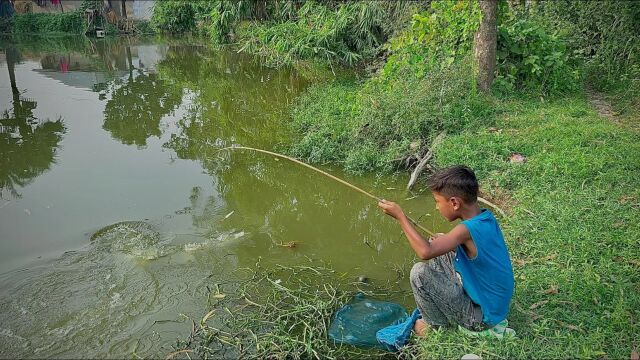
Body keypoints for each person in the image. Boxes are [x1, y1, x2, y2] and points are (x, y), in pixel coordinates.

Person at [378, 165, 514, 337]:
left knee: (419, 272)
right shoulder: (485, 218)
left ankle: (435, 326)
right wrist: (446, 240)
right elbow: (464, 243)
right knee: (441, 249)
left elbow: (425, 252)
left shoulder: (466, 230)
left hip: (482, 318)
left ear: (455, 203)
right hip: (496, 306)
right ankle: (441, 305)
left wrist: (400, 217)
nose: (436, 207)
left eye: (437, 201)